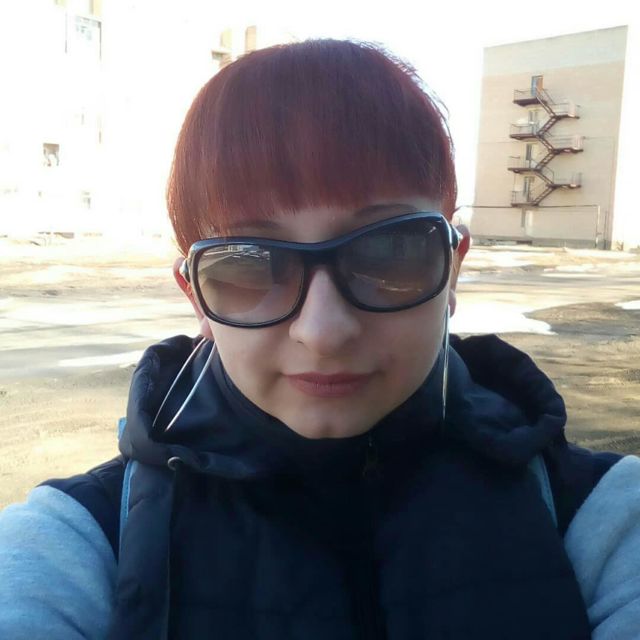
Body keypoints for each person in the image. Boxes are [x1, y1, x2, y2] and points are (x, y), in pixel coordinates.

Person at [1, 39, 639, 640]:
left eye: (390, 252)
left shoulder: (603, 521)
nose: (324, 332)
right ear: (196, 297)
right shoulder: (79, 541)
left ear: (452, 271)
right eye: (250, 265)